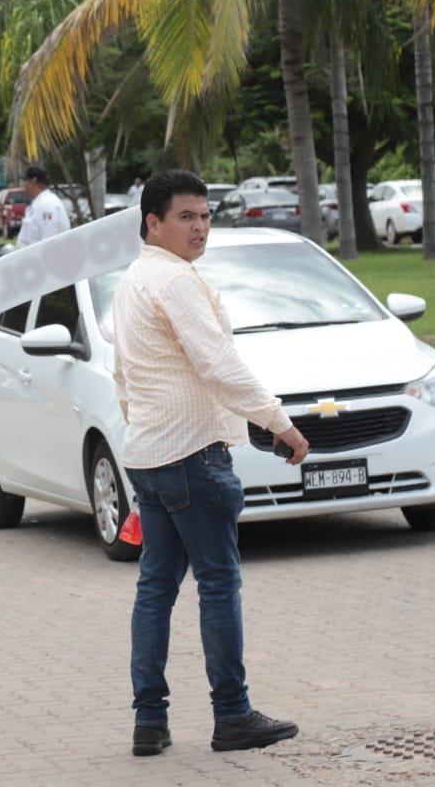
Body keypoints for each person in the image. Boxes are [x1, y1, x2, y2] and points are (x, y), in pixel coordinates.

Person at [110, 169, 309, 758]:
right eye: (185, 218)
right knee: (218, 584)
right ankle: (233, 715)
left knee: (156, 589)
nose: (200, 228)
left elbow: (125, 375)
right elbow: (218, 364)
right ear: (153, 223)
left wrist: (145, 427)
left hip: (150, 453)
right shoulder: (172, 282)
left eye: (205, 216)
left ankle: (150, 721)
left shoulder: (134, 280)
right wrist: (280, 423)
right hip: (192, 457)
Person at [16, 164, 70, 247]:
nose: (24, 186)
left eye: (26, 182)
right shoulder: (39, 204)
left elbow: (50, 242)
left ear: (33, 181)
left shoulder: (48, 205)